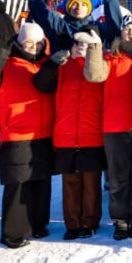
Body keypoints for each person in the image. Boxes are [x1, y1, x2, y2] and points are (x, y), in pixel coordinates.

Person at [0, 21, 55, 248]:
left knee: (41, 180)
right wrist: (2, 49)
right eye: (27, 42)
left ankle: (38, 224)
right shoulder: (6, 63)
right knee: (18, 183)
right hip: (16, 131)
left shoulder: (46, 64)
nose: (32, 47)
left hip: (44, 131)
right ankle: (13, 232)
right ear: (19, 43)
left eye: (37, 43)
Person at [85, 13, 132, 240]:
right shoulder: (110, 58)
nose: (131, 32)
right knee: (117, 177)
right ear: (121, 32)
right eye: (127, 29)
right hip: (115, 126)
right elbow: (94, 75)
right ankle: (120, 220)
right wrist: (95, 47)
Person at [34, 30, 107, 239]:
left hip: (92, 134)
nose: (81, 46)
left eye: (86, 43)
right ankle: (72, 224)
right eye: (77, 43)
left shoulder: (100, 68)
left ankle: (90, 222)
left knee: (91, 184)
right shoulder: (62, 67)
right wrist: (53, 64)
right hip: (66, 134)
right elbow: (42, 84)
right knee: (70, 183)